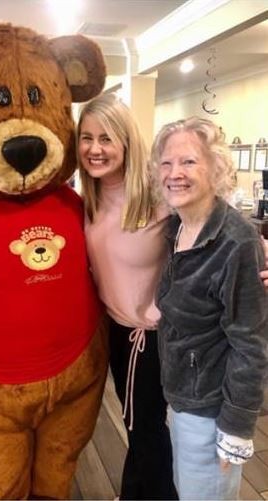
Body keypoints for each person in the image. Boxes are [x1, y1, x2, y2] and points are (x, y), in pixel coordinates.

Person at [151, 116, 268, 500]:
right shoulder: (178, 227)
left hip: (212, 410)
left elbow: (251, 344)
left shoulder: (235, 242)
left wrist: (235, 428)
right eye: (167, 163)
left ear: (215, 168)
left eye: (188, 162)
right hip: (183, 398)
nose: (174, 173)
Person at [77, 93, 178, 500]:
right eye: (86, 138)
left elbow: (219, 227)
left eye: (106, 138)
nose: (95, 149)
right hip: (115, 329)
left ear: (126, 142)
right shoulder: (89, 198)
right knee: (140, 423)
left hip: (148, 334)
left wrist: (256, 264)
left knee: (144, 428)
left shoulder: (159, 193)